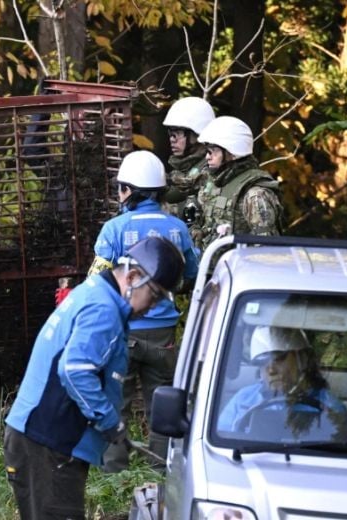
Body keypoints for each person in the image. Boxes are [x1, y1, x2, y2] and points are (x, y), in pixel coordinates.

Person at [4, 236, 185, 520]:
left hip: (43, 439)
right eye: (155, 295)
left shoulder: (96, 293)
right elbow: (75, 371)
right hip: (47, 443)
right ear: (134, 277)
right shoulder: (104, 309)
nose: (154, 306)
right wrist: (110, 422)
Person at [87, 150, 199, 472]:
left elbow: (97, 279)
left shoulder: (114, 229)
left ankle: (114, 470)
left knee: (115, 400)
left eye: (121, 187)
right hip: (164, 333)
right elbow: (190, 275)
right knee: (161, 403)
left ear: (129, 191)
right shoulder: (178, 228)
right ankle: (162, 468)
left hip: (123, 330)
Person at [218, 326, 347, 433]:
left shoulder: (329, 405)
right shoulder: (243, 399)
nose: (271, 370)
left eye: (278, 359)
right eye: (262, 363)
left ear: (302, 359)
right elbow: (221, 445)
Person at [193, 116, 282, 250]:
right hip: (208, 266)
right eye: (207, 151)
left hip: (237, 269)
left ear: (232, 153)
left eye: (213, 150)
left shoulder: (255, 195)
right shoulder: (213, 182)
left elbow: (265, 250)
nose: (207, 157)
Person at [161, 96, 215, 225]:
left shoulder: (208, 167)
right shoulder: (187, 165)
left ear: (196, 135)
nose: (172, 139)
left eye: (178, 133)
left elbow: (175, 198)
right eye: (170, 133)